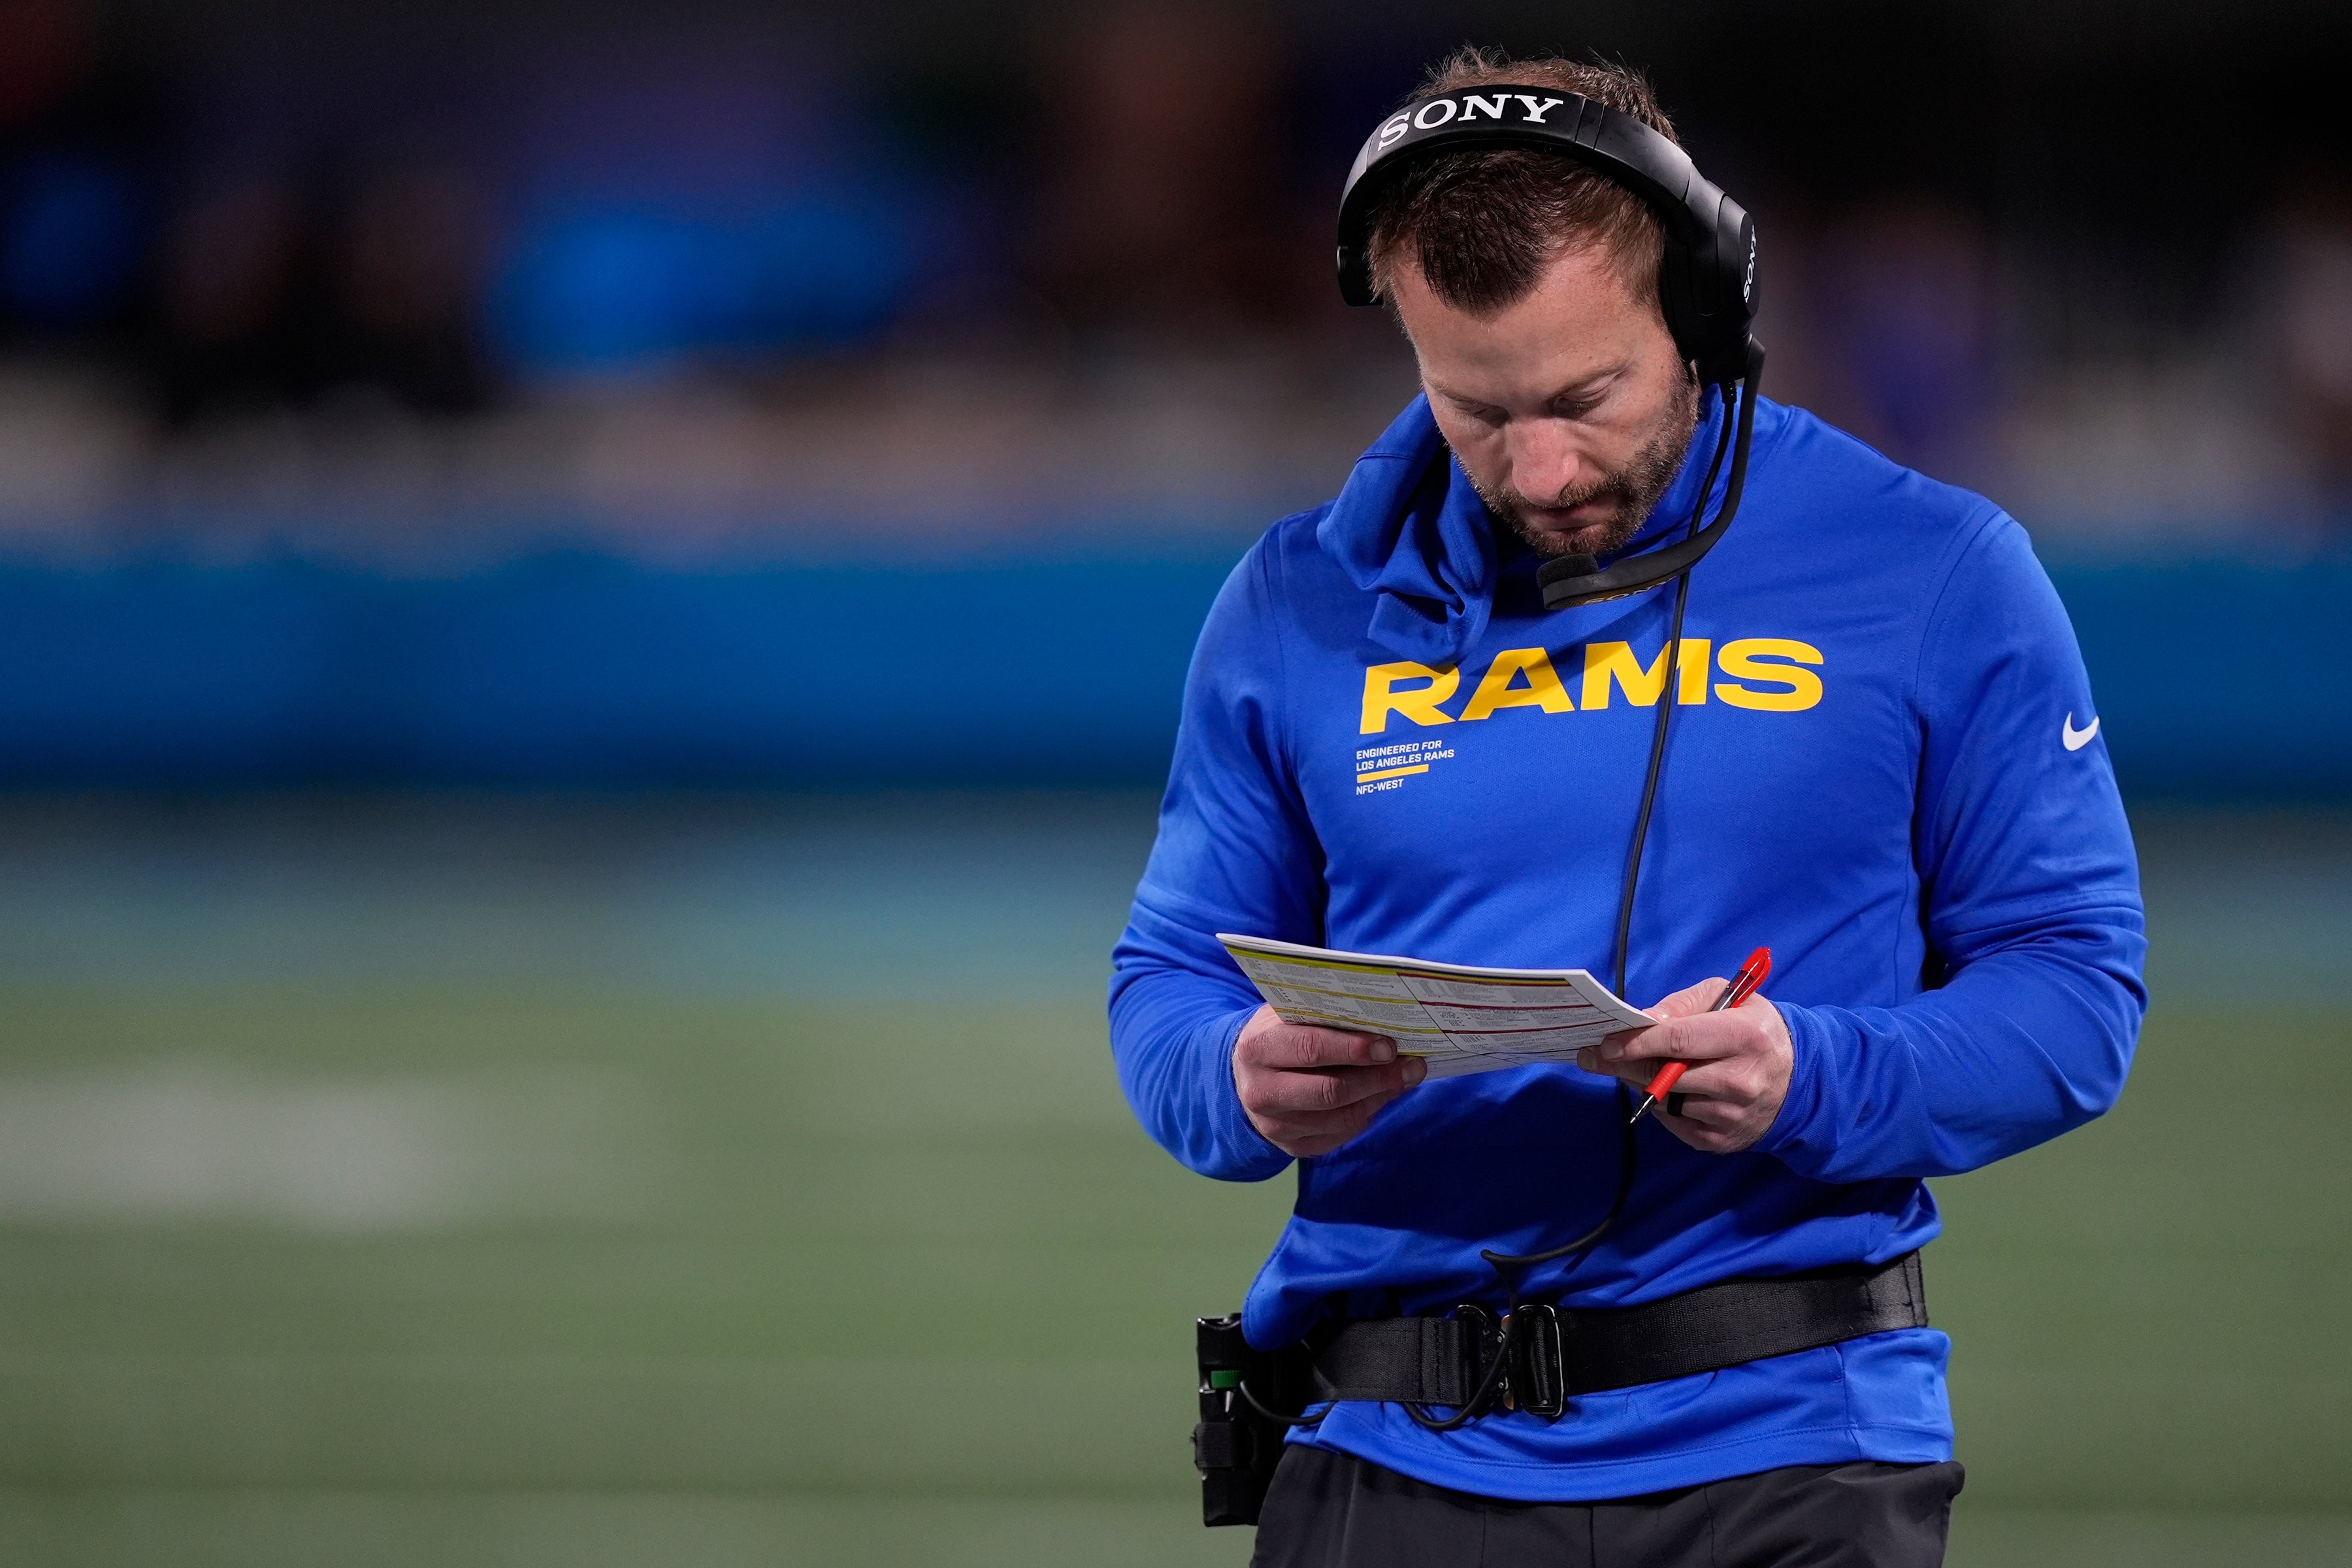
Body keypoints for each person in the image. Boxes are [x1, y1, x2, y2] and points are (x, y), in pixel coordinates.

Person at [1107, 47, 2147, 1568]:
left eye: (1586, 396)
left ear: (1705, 306)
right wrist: (1237, 1077)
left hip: (1792, 1450)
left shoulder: (1934, 571)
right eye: (1475, 409)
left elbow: (2076, 992)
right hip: (1386, 1456)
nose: (1538, 467)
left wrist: (1820, 1076)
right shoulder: (1294, 604)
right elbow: (1168, 984)